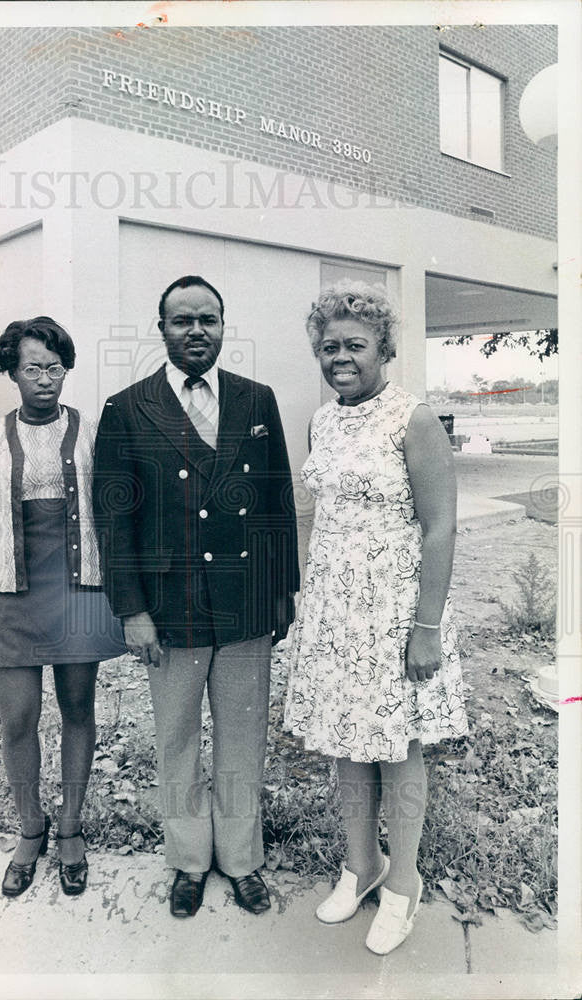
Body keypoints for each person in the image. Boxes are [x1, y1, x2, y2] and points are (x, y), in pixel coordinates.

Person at [93, 275, 299, 918]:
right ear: (162, 330)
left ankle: (240, 860)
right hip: (169, 611)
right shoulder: (125, 409)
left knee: (242, 739)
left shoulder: (257, 400)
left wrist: (282, 593)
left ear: (222, 326)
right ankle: (187, 860)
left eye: (207, 319)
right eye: (182, 320)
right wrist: (132, 610)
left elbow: (278, 506)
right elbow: (114, 522)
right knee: (177, 738)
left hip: (244, 608)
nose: (196, 331)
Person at [284, 281, 469, 954]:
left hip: (395, 614)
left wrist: (425, 628)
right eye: (328, 346)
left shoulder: (411, 419)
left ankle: (404, 884)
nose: (340, 357)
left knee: (400, 749)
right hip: (336, 610)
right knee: (346, 744)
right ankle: (361, 866)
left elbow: (440, 527)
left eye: (354, 345)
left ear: (382, 349)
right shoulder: (321, 420)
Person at [0, 316, 126, 899]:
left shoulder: (89, 431)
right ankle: (30, 828)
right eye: (32, 368)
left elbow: (111, 510)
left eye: (54, 369)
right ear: (12, 372)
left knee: (78, 707)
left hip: (79, 590)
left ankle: (72, 829)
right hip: (14, 594)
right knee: (17, 718)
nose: (45, 380)